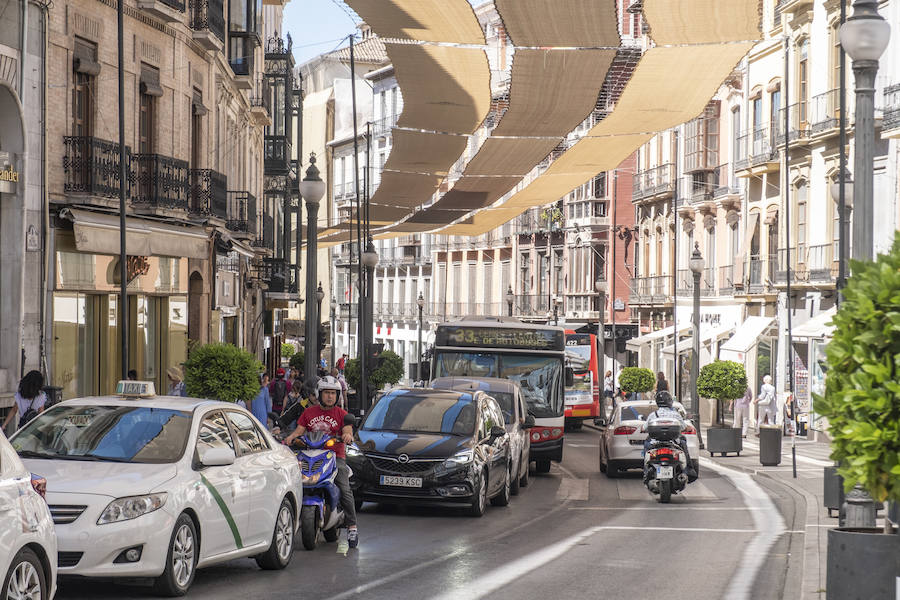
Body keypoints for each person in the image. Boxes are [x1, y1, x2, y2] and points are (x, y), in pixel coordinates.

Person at [283, 376, 359, 548]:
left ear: (338, 395)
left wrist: (347, 435)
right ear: (319, 393)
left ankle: (352, 526)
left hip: (334, 456)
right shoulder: (309, 413)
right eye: (326, 393)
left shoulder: (342, 414)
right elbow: (299, 431)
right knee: (290, 482)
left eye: (333, 393)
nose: (330, 397)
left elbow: (347, 430)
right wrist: (290, 438)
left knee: (344, 487)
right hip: (309, 455)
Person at [643, 390, 698, 482]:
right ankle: (687, 470)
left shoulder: (653, 415)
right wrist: (689, 428)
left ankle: (646, 472)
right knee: (683, 442)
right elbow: (684, 427)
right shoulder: (675, 414)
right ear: (670, 401)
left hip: (655, 443)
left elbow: (644, 428)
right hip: (674, 443)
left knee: (646, 445)